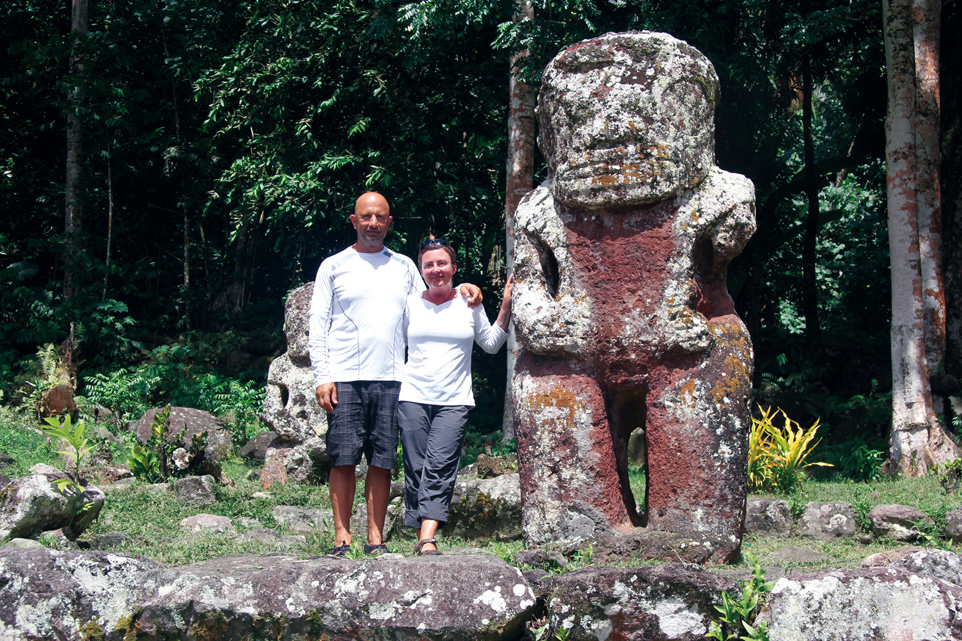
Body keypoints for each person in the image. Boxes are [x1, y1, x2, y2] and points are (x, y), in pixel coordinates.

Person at [308, 193, 481, 557]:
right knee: (343, 457)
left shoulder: (403, 266)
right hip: (343, 376)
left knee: (383, 460)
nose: (373, 223)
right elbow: (318, 323)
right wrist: (322, 376)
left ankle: (375, 538)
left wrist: (465, 289)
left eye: (380, 217)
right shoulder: (333, 266)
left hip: (393, 378)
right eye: (366, 217)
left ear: (389, 223)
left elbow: (433, 299)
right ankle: (341, 538)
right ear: (354, 221)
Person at [398, 238, 513, 555]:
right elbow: (395, 346)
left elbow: (491, 343)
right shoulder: (409, 304)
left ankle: (427, 537)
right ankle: (422, 534)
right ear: (421, 270)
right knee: (416, 466)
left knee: (440, 465)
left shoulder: (468, 301)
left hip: (454, 400)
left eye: (442, 263)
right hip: (412, 396)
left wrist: (506, 303)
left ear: (454, 267)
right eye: (429, 265)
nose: (436, 270)